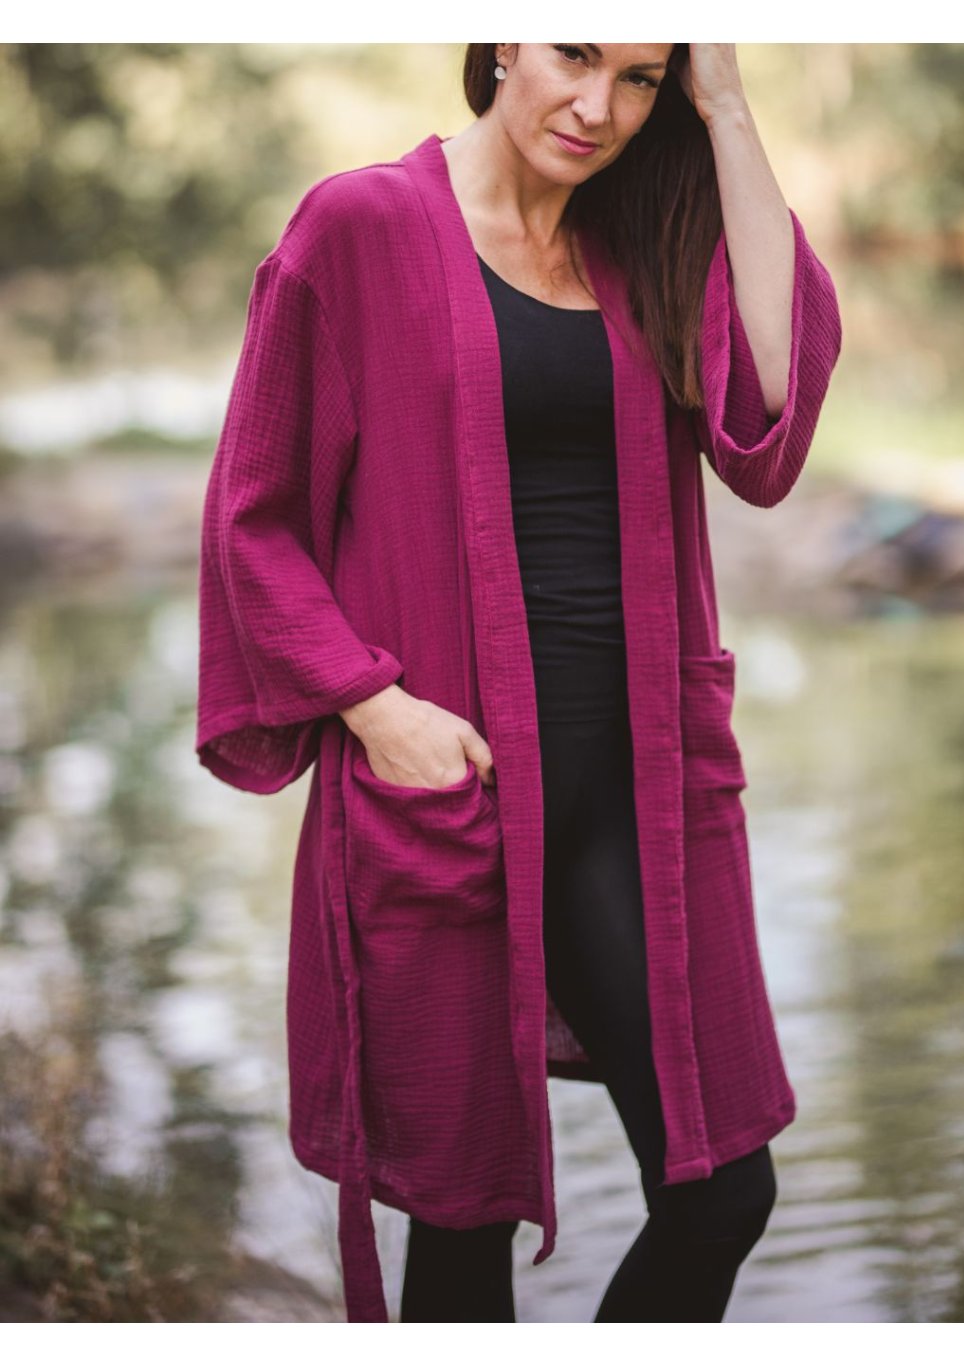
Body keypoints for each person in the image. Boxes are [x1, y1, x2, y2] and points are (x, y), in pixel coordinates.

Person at [196, 42, 842, 1323]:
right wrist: (374, 706)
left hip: (639, 795)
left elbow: (768, 425)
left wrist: (723, 102)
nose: (598, 108)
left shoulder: (646, 237)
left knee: (723, 1192)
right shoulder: (359, 227)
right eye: (574, 53)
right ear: (500, 40)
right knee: (463, 1221)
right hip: (454, 788)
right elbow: (252, 519)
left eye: (642, 78)